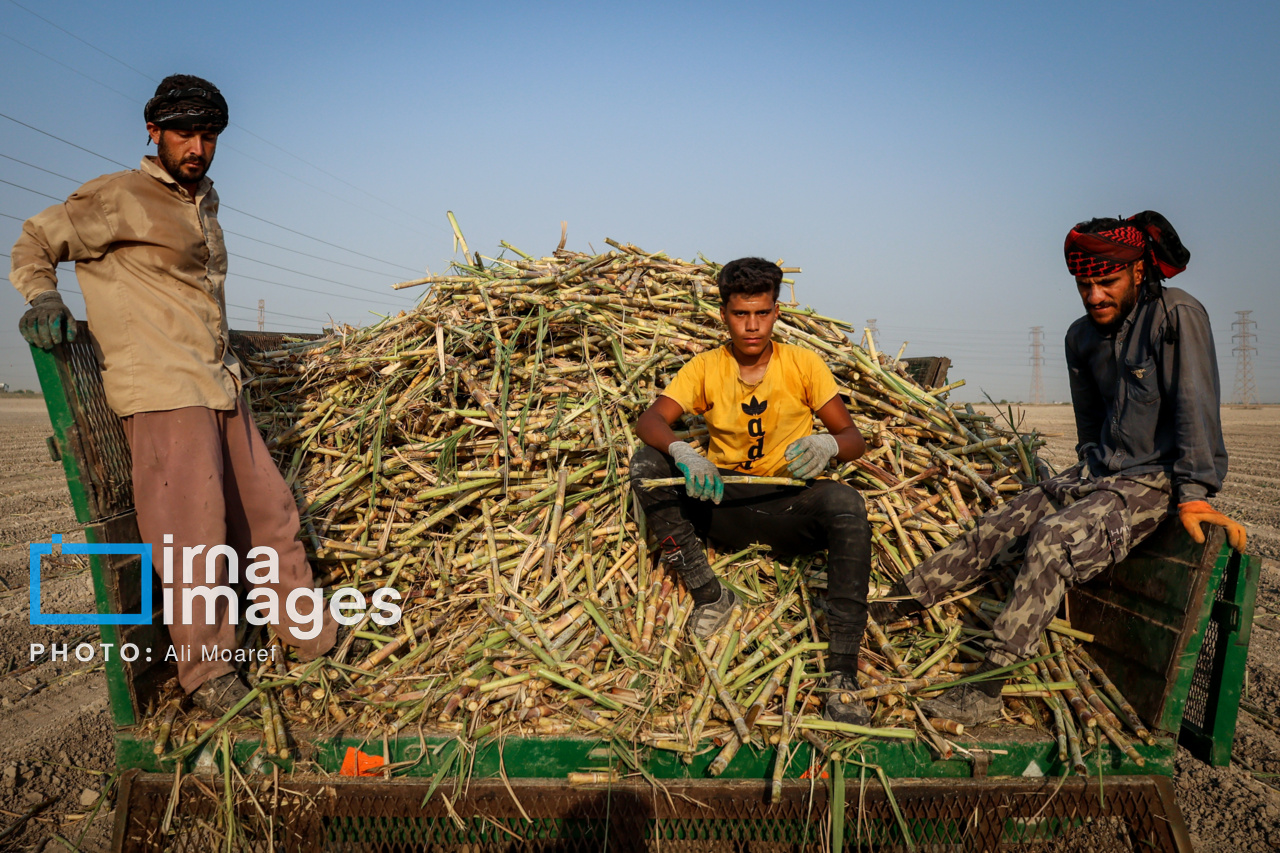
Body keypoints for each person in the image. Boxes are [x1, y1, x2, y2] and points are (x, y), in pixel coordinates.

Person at [12, 75, 337, 714]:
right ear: (153, 131)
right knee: (193, 538)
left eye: (208, 135)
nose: (197, 146)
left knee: (272, 516)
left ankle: (315, 642)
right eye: (184, 133)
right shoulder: (115, 197)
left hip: (219, 384)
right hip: (163, 392)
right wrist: (42, 296)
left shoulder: (201, 201)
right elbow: (34, 242)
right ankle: (209, 673)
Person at [870, 211, 1246, 726]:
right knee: (1000, 523)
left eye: (1106, 282)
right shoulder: (1081, 337)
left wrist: (1195, 493)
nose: (1094, 296)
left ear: (1138, 271)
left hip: (1155, 479)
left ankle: (986, 688)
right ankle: (896, 604)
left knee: (1052, 540)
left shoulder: (1176, 316)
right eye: (1084, 285)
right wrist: (1084, 477)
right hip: (1100, 472)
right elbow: (1090, 422)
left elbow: (1194, 403)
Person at [630, 257, 874, 725]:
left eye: (762, 313)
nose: (752, 325)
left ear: (776, 312)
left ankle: (842, 673)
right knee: (646, 463)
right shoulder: (705, 368)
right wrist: (684, 451)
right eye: (741, 314)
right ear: (724, 314)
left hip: (790, 505)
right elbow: (650, 420)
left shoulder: (804, 365)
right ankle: (710, 596)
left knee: (847, 505)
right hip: (726, 502)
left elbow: (854, 439)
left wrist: (828, 445)